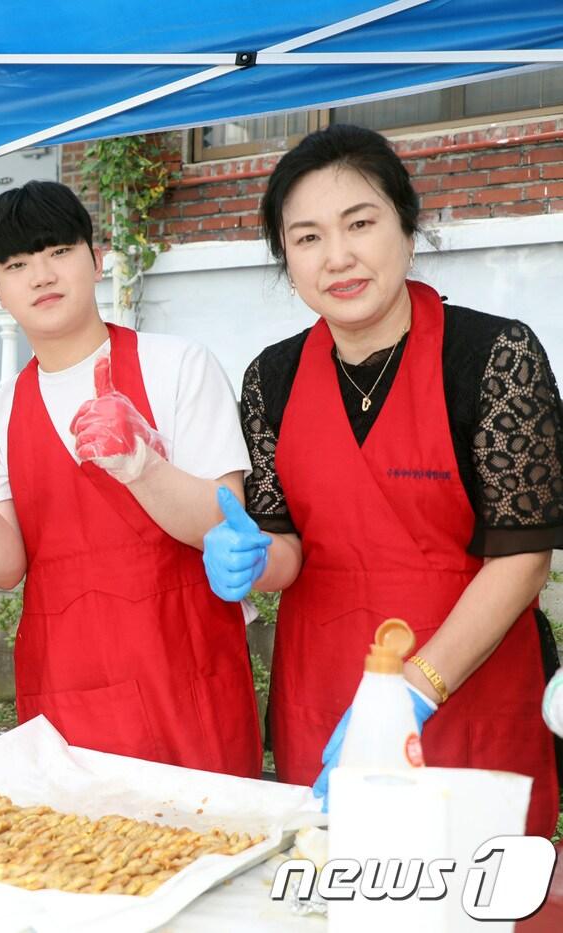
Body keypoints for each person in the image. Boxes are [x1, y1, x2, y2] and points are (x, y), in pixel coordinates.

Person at [201, 124, 562, 835]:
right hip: (326, 696)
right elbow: (285, 542)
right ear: (286, 256)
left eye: (359, 223)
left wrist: (414, 693)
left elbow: (522, 556)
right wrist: (252, 558)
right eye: (306, 238)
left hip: (465, 691)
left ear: (405, 221)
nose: (338, 257)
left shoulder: (494, 355)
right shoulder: (269, 377)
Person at [0, 180, 261, 776]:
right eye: (18, 263)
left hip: (185, 680)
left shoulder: (177, 364)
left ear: (97, 256)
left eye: (59, 251)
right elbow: (4, 572)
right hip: (66, 692)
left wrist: (143, 466)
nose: (41, 275)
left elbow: (223, 521)